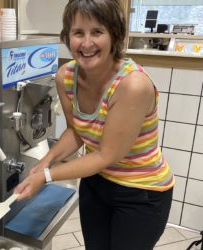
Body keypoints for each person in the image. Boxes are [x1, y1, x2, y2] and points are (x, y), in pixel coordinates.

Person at [14, 0, 175, 249]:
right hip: (96, 183)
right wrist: (45, 161)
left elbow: (107, 155)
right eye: (78, 32)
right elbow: (77, 132)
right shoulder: (65, 76)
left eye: (97, 32)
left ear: (115, 36)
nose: (86, 43)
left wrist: (47, 176)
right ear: (68, 36)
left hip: (140, 193)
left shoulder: (132, 85)